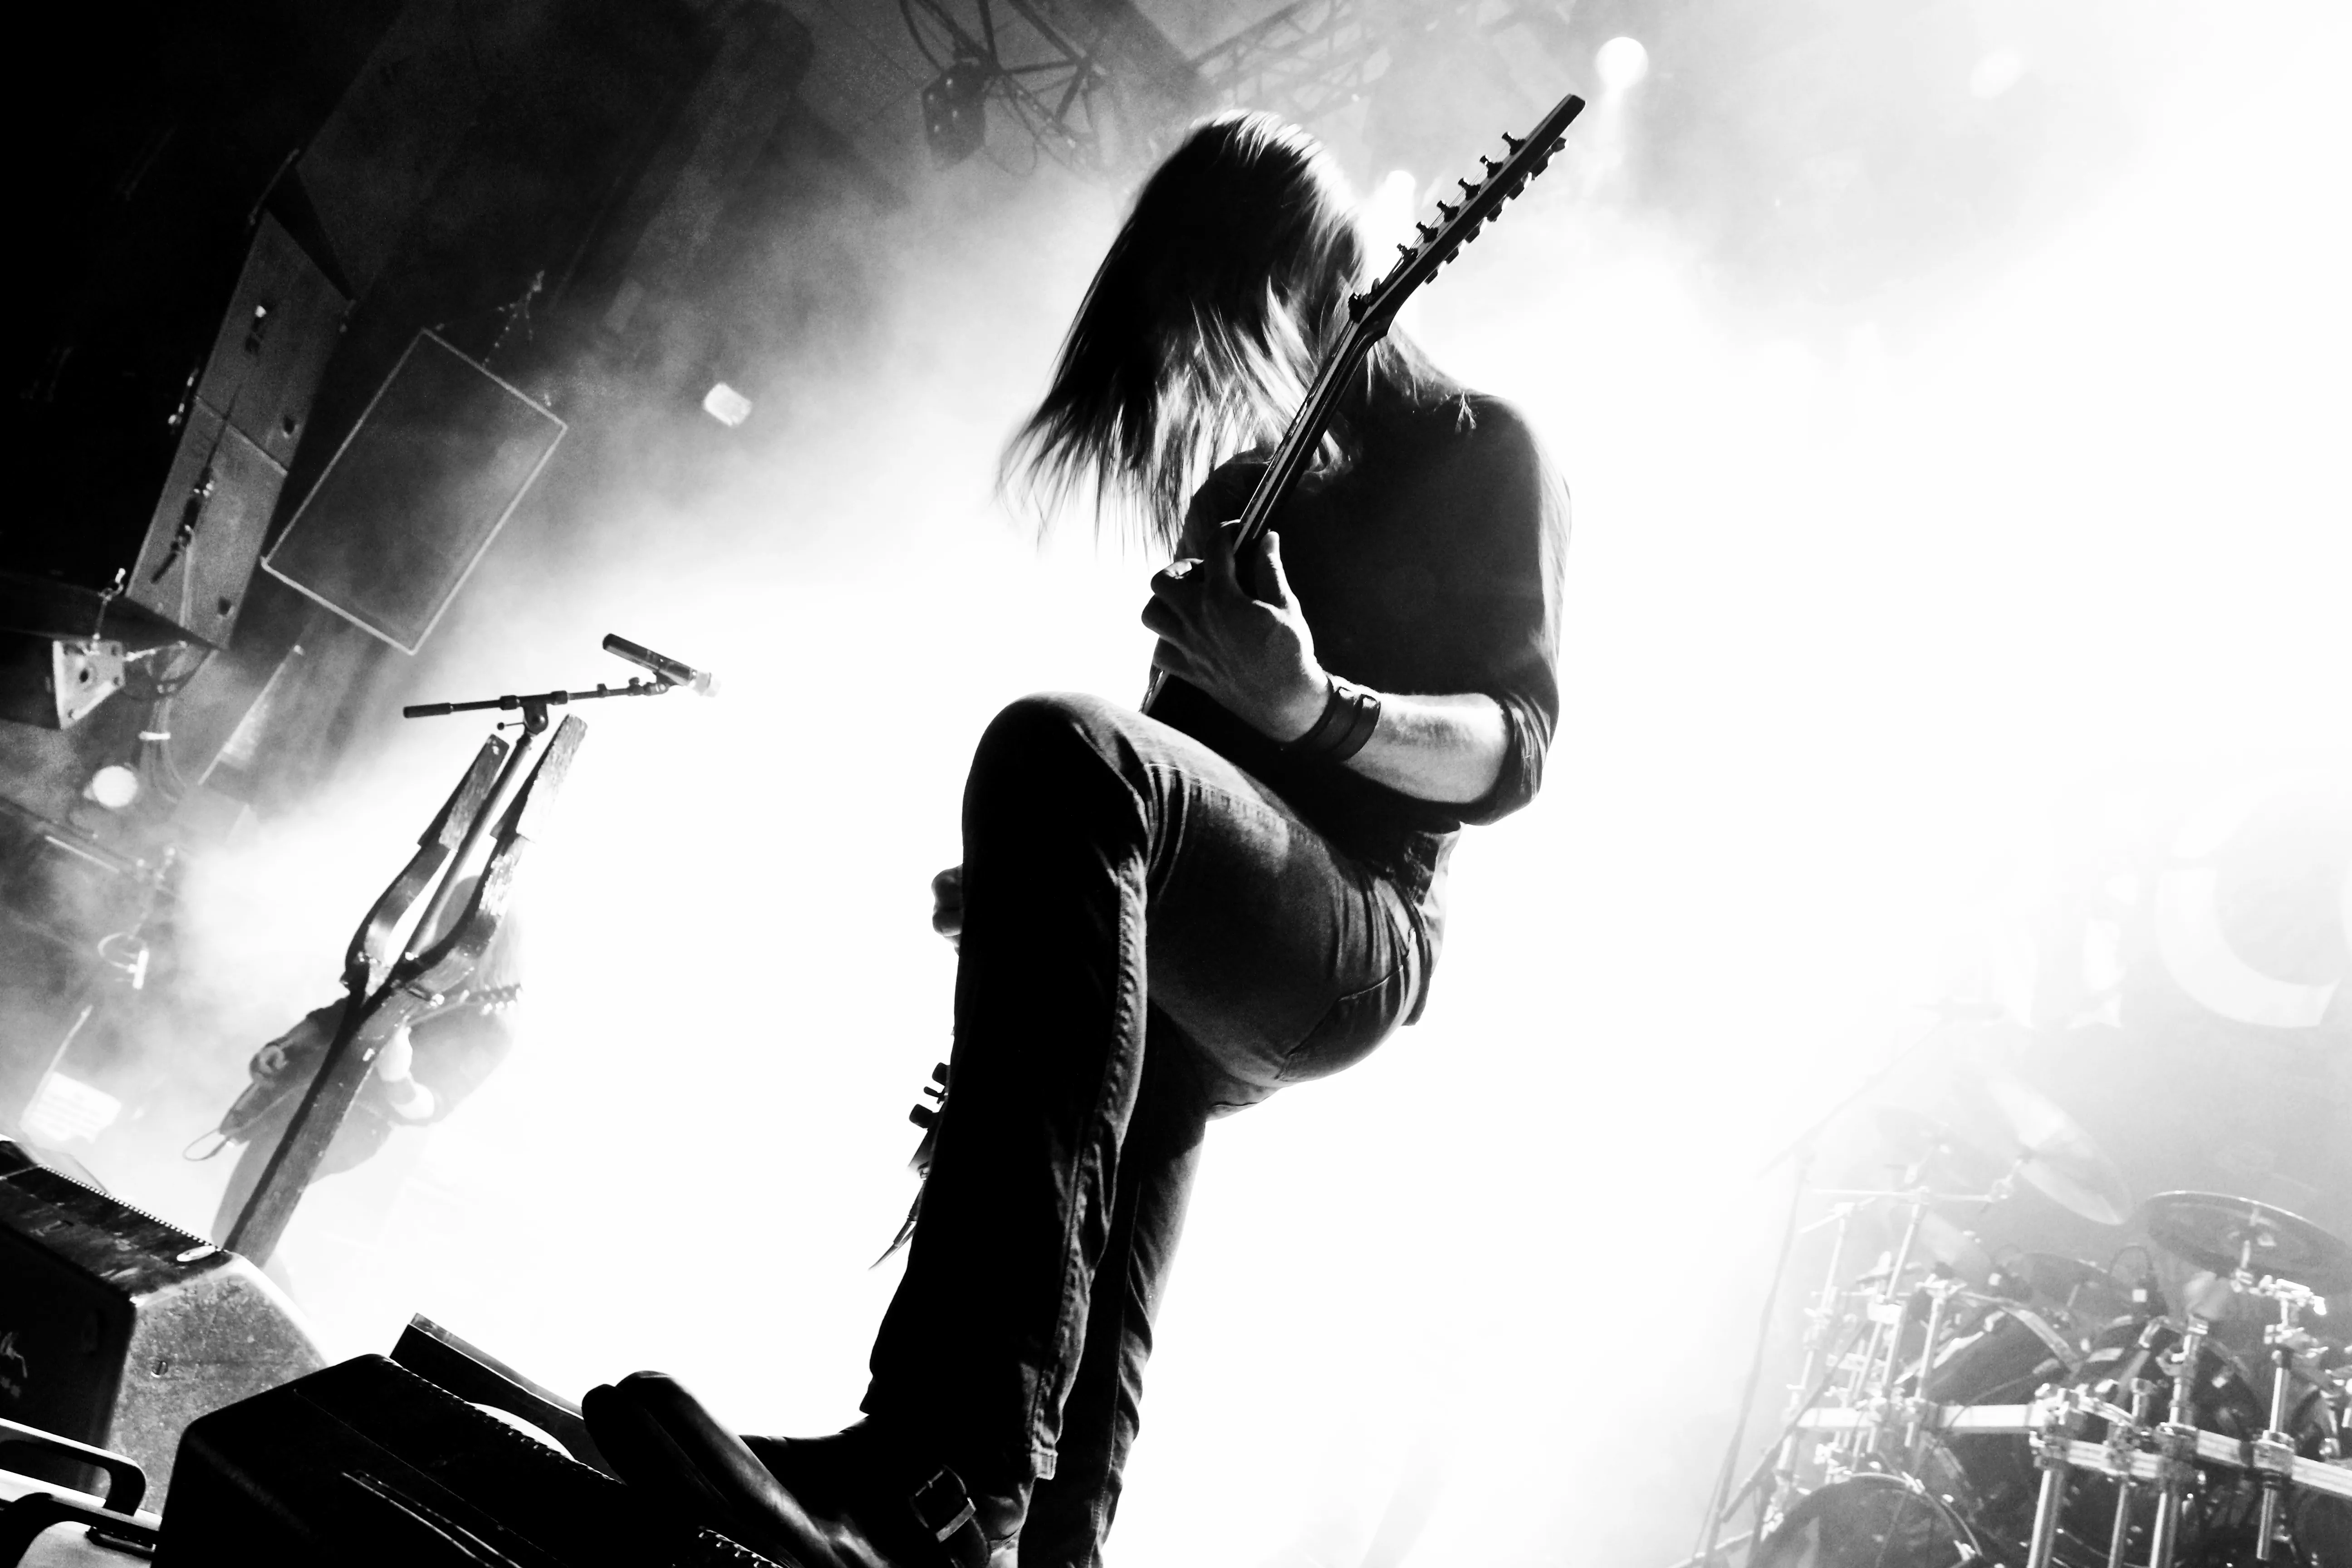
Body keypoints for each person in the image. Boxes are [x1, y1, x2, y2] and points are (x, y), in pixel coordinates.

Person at [584, 111, 1569, 1568]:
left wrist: (1313, 707)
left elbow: (1515, 747)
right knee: (1111, 1118)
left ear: (1286, 285)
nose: (1205, 380)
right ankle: (1041, 1536)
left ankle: (944, 1461)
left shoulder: (1476, 448)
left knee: (1055, 749)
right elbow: (1166, 773)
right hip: (1207, 952)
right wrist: (1036, 916)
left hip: (1358, 938)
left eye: (1215, 331)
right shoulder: (1244, 495)